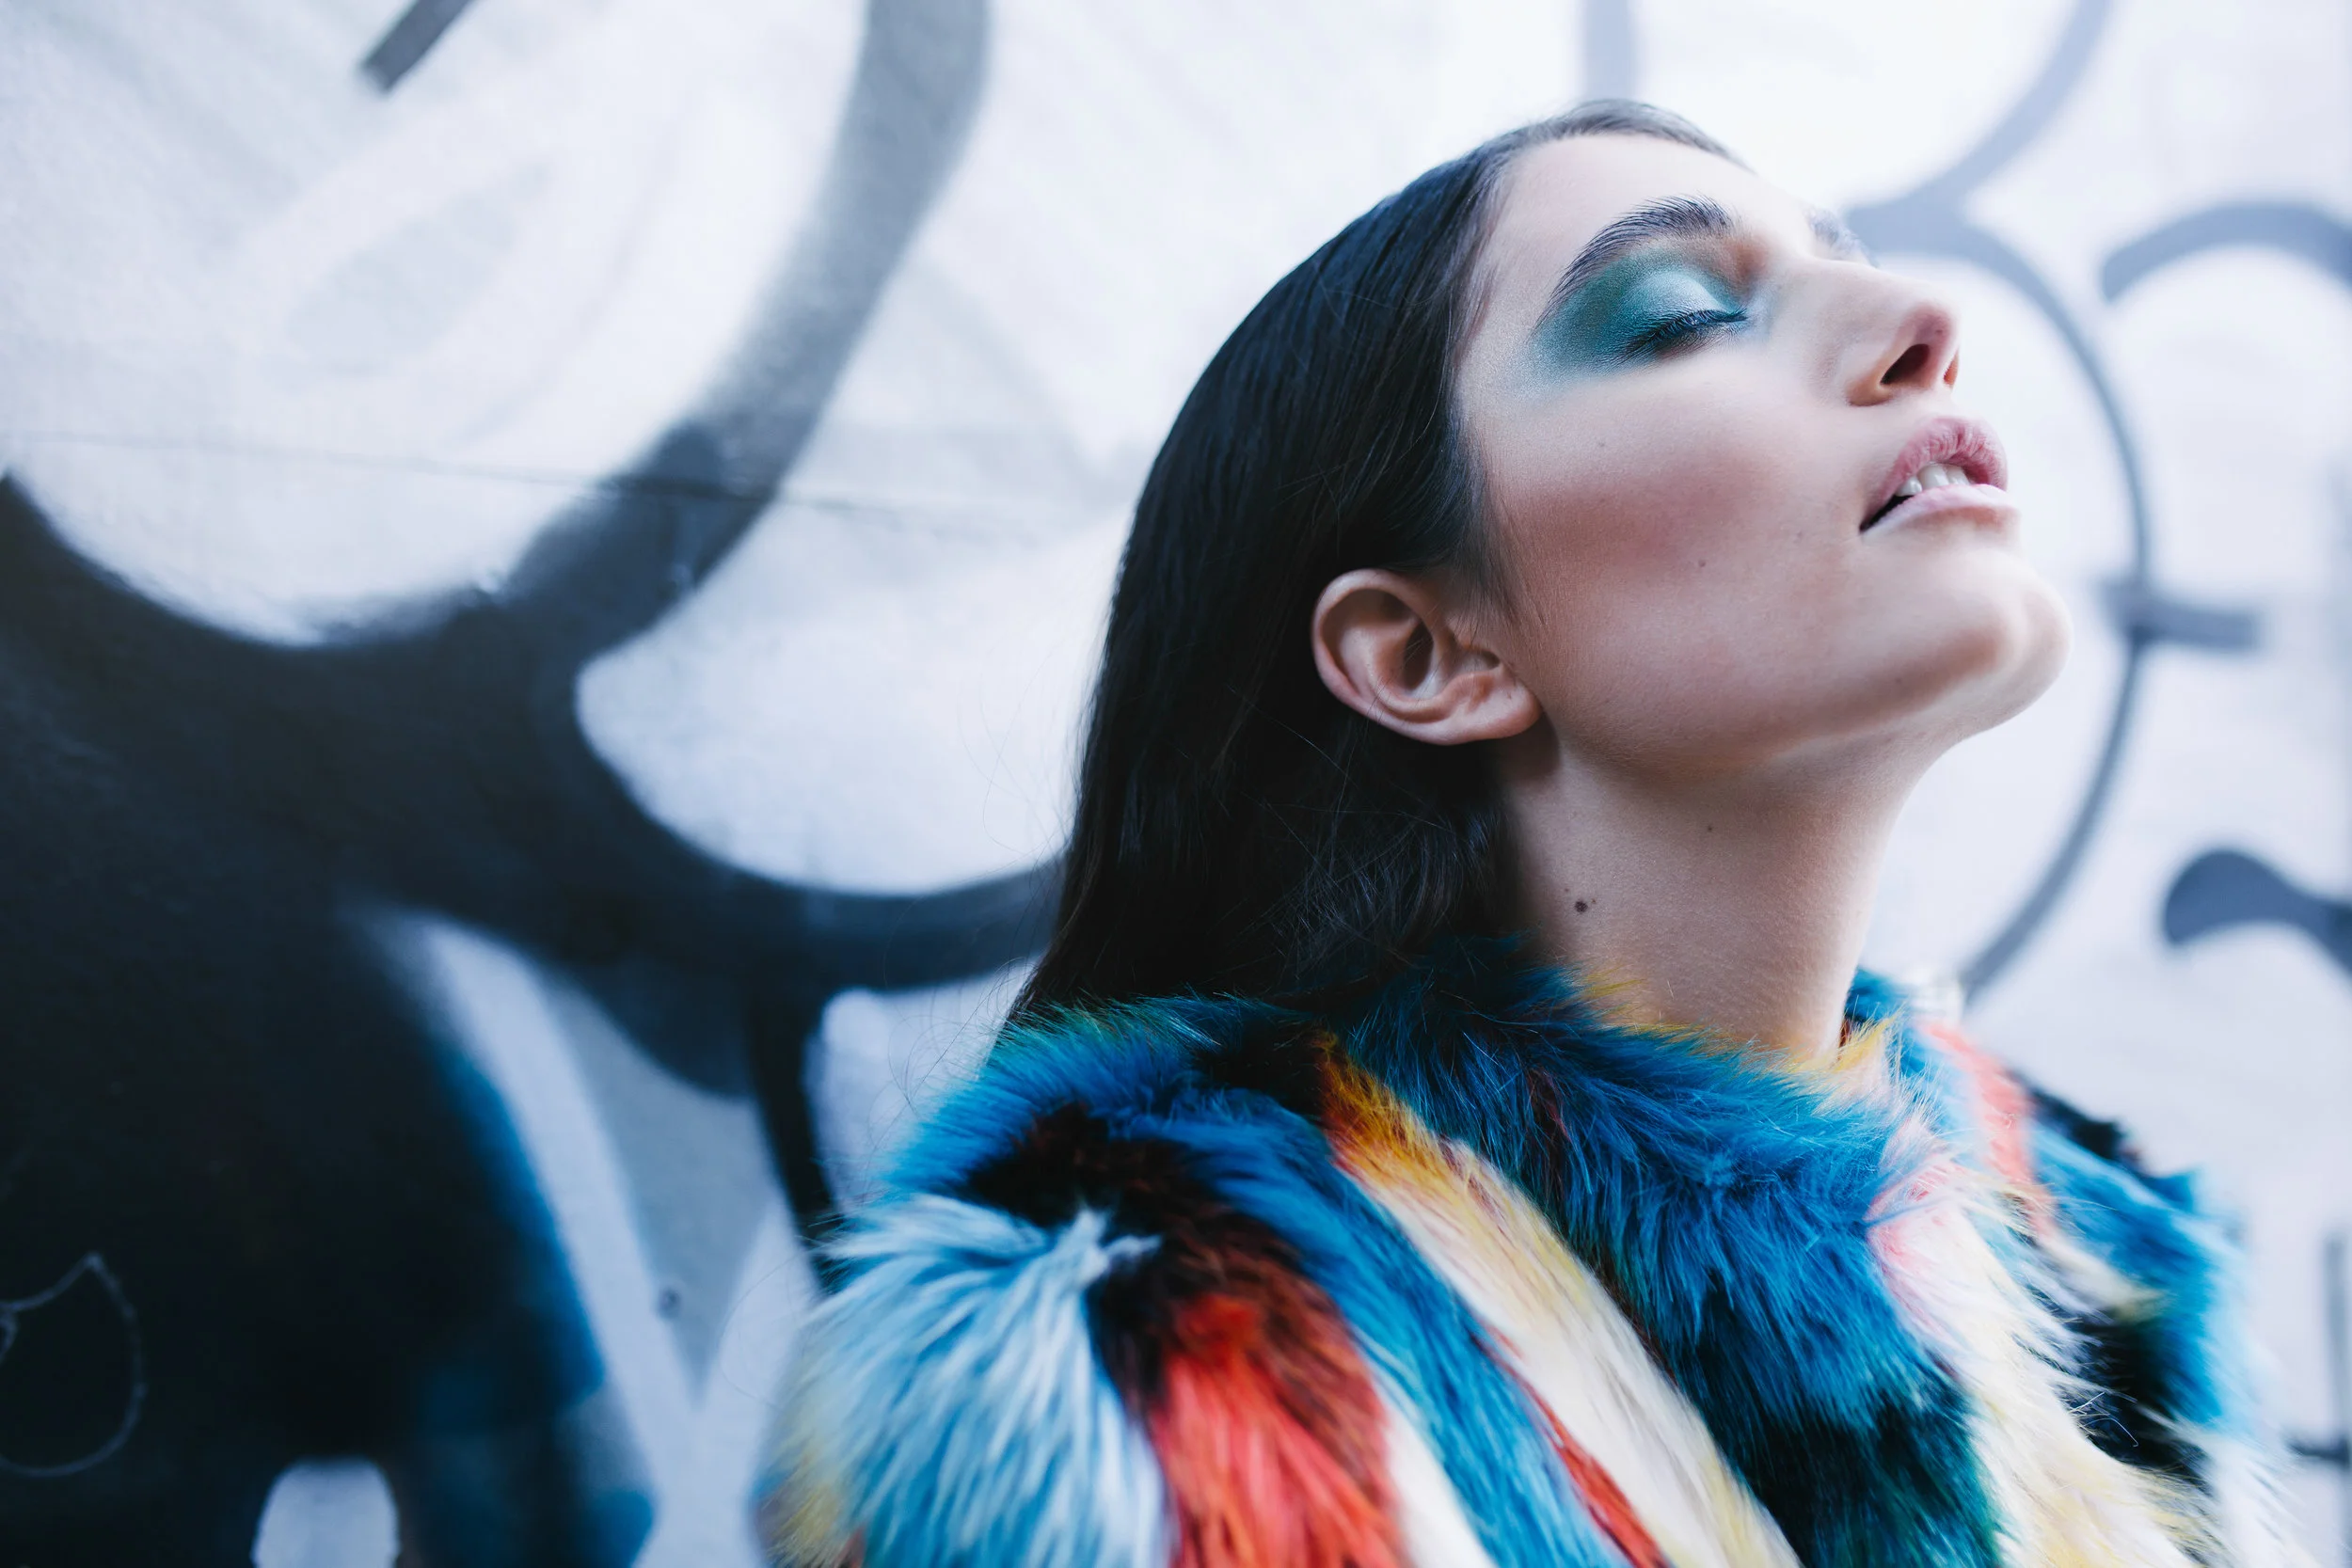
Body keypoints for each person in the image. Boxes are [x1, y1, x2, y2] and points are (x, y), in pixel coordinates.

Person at [763, 102, 2300, 1568]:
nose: (1921, 318)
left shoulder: (2100, 1267)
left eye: (1846, 261)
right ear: (1427, 652)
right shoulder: (1150, 1378)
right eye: (1685, 315)